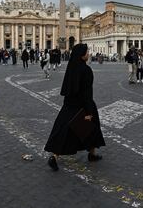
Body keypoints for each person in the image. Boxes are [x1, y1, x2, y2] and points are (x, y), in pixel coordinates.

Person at [45, 43, 105, 171]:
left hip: (69, 105)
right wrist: (89, 112)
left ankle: (55, 157)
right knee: (92, 128)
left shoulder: (71, 67)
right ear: (82, 56)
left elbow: (67, 87)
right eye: (86, 52)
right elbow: (87, 93)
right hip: (83, 105)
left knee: (63, 132)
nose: (88, 54)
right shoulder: (86, 70)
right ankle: (92, 154)